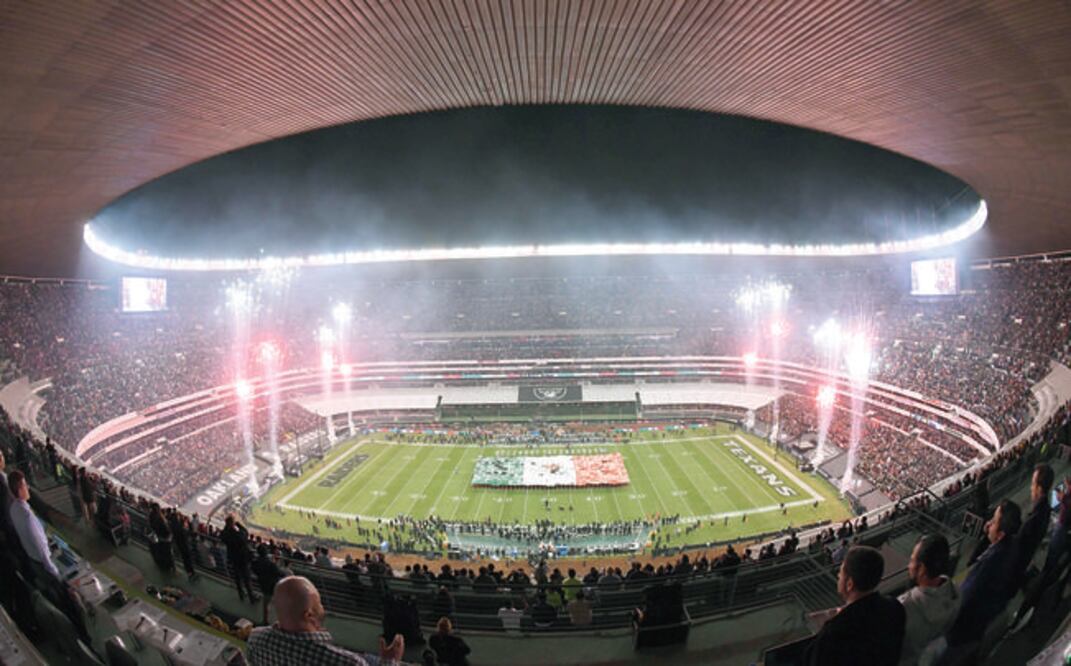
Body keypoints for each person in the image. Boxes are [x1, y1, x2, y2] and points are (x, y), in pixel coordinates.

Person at [248, 576, 404, 665]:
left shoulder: (255, 637)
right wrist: (389, 661)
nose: (322, 607)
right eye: (319, 603)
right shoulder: (349, 662)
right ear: (309, 616)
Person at [803, 546, 906, 666]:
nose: (838, 575)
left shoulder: (834, 632)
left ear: (849, 584)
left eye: (841, 572)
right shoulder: (895, 608)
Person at [946, 499, 1022, 649]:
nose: (988, 523)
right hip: (980, 622)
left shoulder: (988, 566)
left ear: (1000, 535)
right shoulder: (1009, 547)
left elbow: (963, 600)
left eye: (993, 521)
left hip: (960, 633)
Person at [897, 535, 959, 666]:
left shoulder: (903, 607)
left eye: (912, 560)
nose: (909, 565)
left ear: (922, 569)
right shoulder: (955, 593)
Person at [6, 470, 59, 579]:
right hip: (44, 564)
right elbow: (41, 548)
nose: (28, 488)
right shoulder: (27, 517)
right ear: (20, 491)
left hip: (32, 558)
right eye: (25, 485)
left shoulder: (13, 509)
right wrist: (54, 572)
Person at [221, 513, 257, 602]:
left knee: (237, 577)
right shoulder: (237, 534)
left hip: (233, 558)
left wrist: (229, 525)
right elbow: (245, 533)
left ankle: (241, 594)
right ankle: (251, 596)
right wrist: (238, 524)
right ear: (232, 523)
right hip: (242, 558)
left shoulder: (224, 533)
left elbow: (223, 536)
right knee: (246, 578)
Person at [252, 544, 292, 625]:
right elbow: (280, 573)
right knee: (280, 603)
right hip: (273, 585)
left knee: (266, 603)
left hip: (263, 584)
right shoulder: (270, 564)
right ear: (266, 552)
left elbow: (255, 570)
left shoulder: (255, 562)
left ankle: (265, 620)